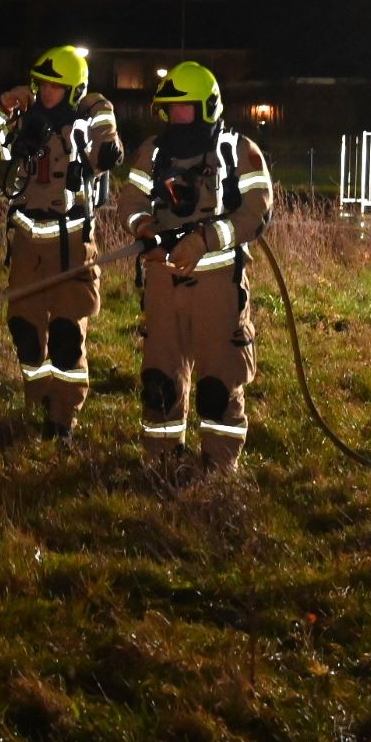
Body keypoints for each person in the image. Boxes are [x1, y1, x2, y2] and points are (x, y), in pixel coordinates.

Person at [117, 61, 274, 479]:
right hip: (164, 285)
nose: (176, 117)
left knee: (218, 384)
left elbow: (257, 212)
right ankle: (162, 462)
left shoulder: (237, 152)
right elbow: (129, 205)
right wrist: (146, 230)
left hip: (216, 286)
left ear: (207, 107)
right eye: (170, 109)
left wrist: (205, 239)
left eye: (185, 108)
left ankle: (219, 470)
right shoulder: (152, 153)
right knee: (159, 379)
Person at [0, 45, 124, 442]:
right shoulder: (26, 123)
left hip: (71, 246)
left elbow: (104, 144)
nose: (46, 94)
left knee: (65, 337)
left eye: (56, 87)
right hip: (26, 246)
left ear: (73, 90)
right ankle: (38, 399)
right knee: (25, 331)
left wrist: (106, 139)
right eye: (42, 85)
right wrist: (2, 105)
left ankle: (63, 418)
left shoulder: (83, 126)